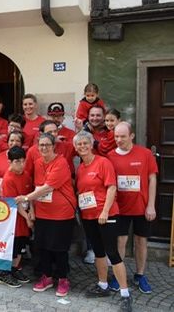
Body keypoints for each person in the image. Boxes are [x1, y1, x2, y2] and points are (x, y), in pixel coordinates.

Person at [74, 131, 132, 311]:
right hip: (89, 217)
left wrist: (105, 211)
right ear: (75, 148)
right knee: (98, 252)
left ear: (91, 144)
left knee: (112, 253)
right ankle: (103, 285)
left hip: (106, 215)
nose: (82, 146)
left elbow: (112, 187)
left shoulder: (103, 162)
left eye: (85, 143)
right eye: (79, 144)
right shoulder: (81, 168)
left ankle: (125, 294)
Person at [15, 133, 76, 297]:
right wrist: (32, 209)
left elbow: (48, 187)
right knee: (43, 248)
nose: (44, 148)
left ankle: (63, 279)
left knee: (60, 249)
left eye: (47, 145)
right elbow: (37, 187)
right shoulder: (37, 162)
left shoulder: (61, 162)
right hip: (43, 213)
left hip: (62, 213)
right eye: (41, 145)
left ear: (53, 146)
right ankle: (47, 277)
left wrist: (26, 198)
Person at [106, 122, 158, 295]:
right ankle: (117, 275)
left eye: (122, 136)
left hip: (141, 207)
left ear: (132, 136)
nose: (119, 140)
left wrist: (151, 205)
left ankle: (140, 275)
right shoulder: (110, 156)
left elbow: (152, 179)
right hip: (119, 208)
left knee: (141, 241)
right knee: (120, 241)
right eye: (116, 137)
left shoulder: (145, 154)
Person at [0, 146, 33, 288]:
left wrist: (31, 213)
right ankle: (4, 273)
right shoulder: (8, 179)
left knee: (22, 246)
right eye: (17, 161)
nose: (21, 164)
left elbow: (30, 196)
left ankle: (15, 268)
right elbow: (15, 203)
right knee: (14, 247)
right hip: (14, 220)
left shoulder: (26, 174)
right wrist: (27, 217)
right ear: (10, 161)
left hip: (24, 216)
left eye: (23, 161)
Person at [0, 131, 24, 196]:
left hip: (19, 196)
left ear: (22, 143)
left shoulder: (25, 158)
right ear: (8, 142)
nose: (14, 143)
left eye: (18, 141)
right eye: (12, 140)